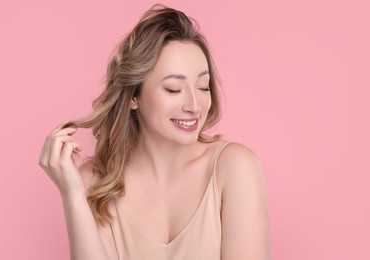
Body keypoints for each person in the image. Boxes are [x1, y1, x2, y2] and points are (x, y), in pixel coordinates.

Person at [39, 4, 270, 260]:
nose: (194, 106)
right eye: (173, 89)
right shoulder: (96, 181)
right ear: (133, 96)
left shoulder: (234, 167)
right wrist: (72, 194)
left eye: (203, 87)